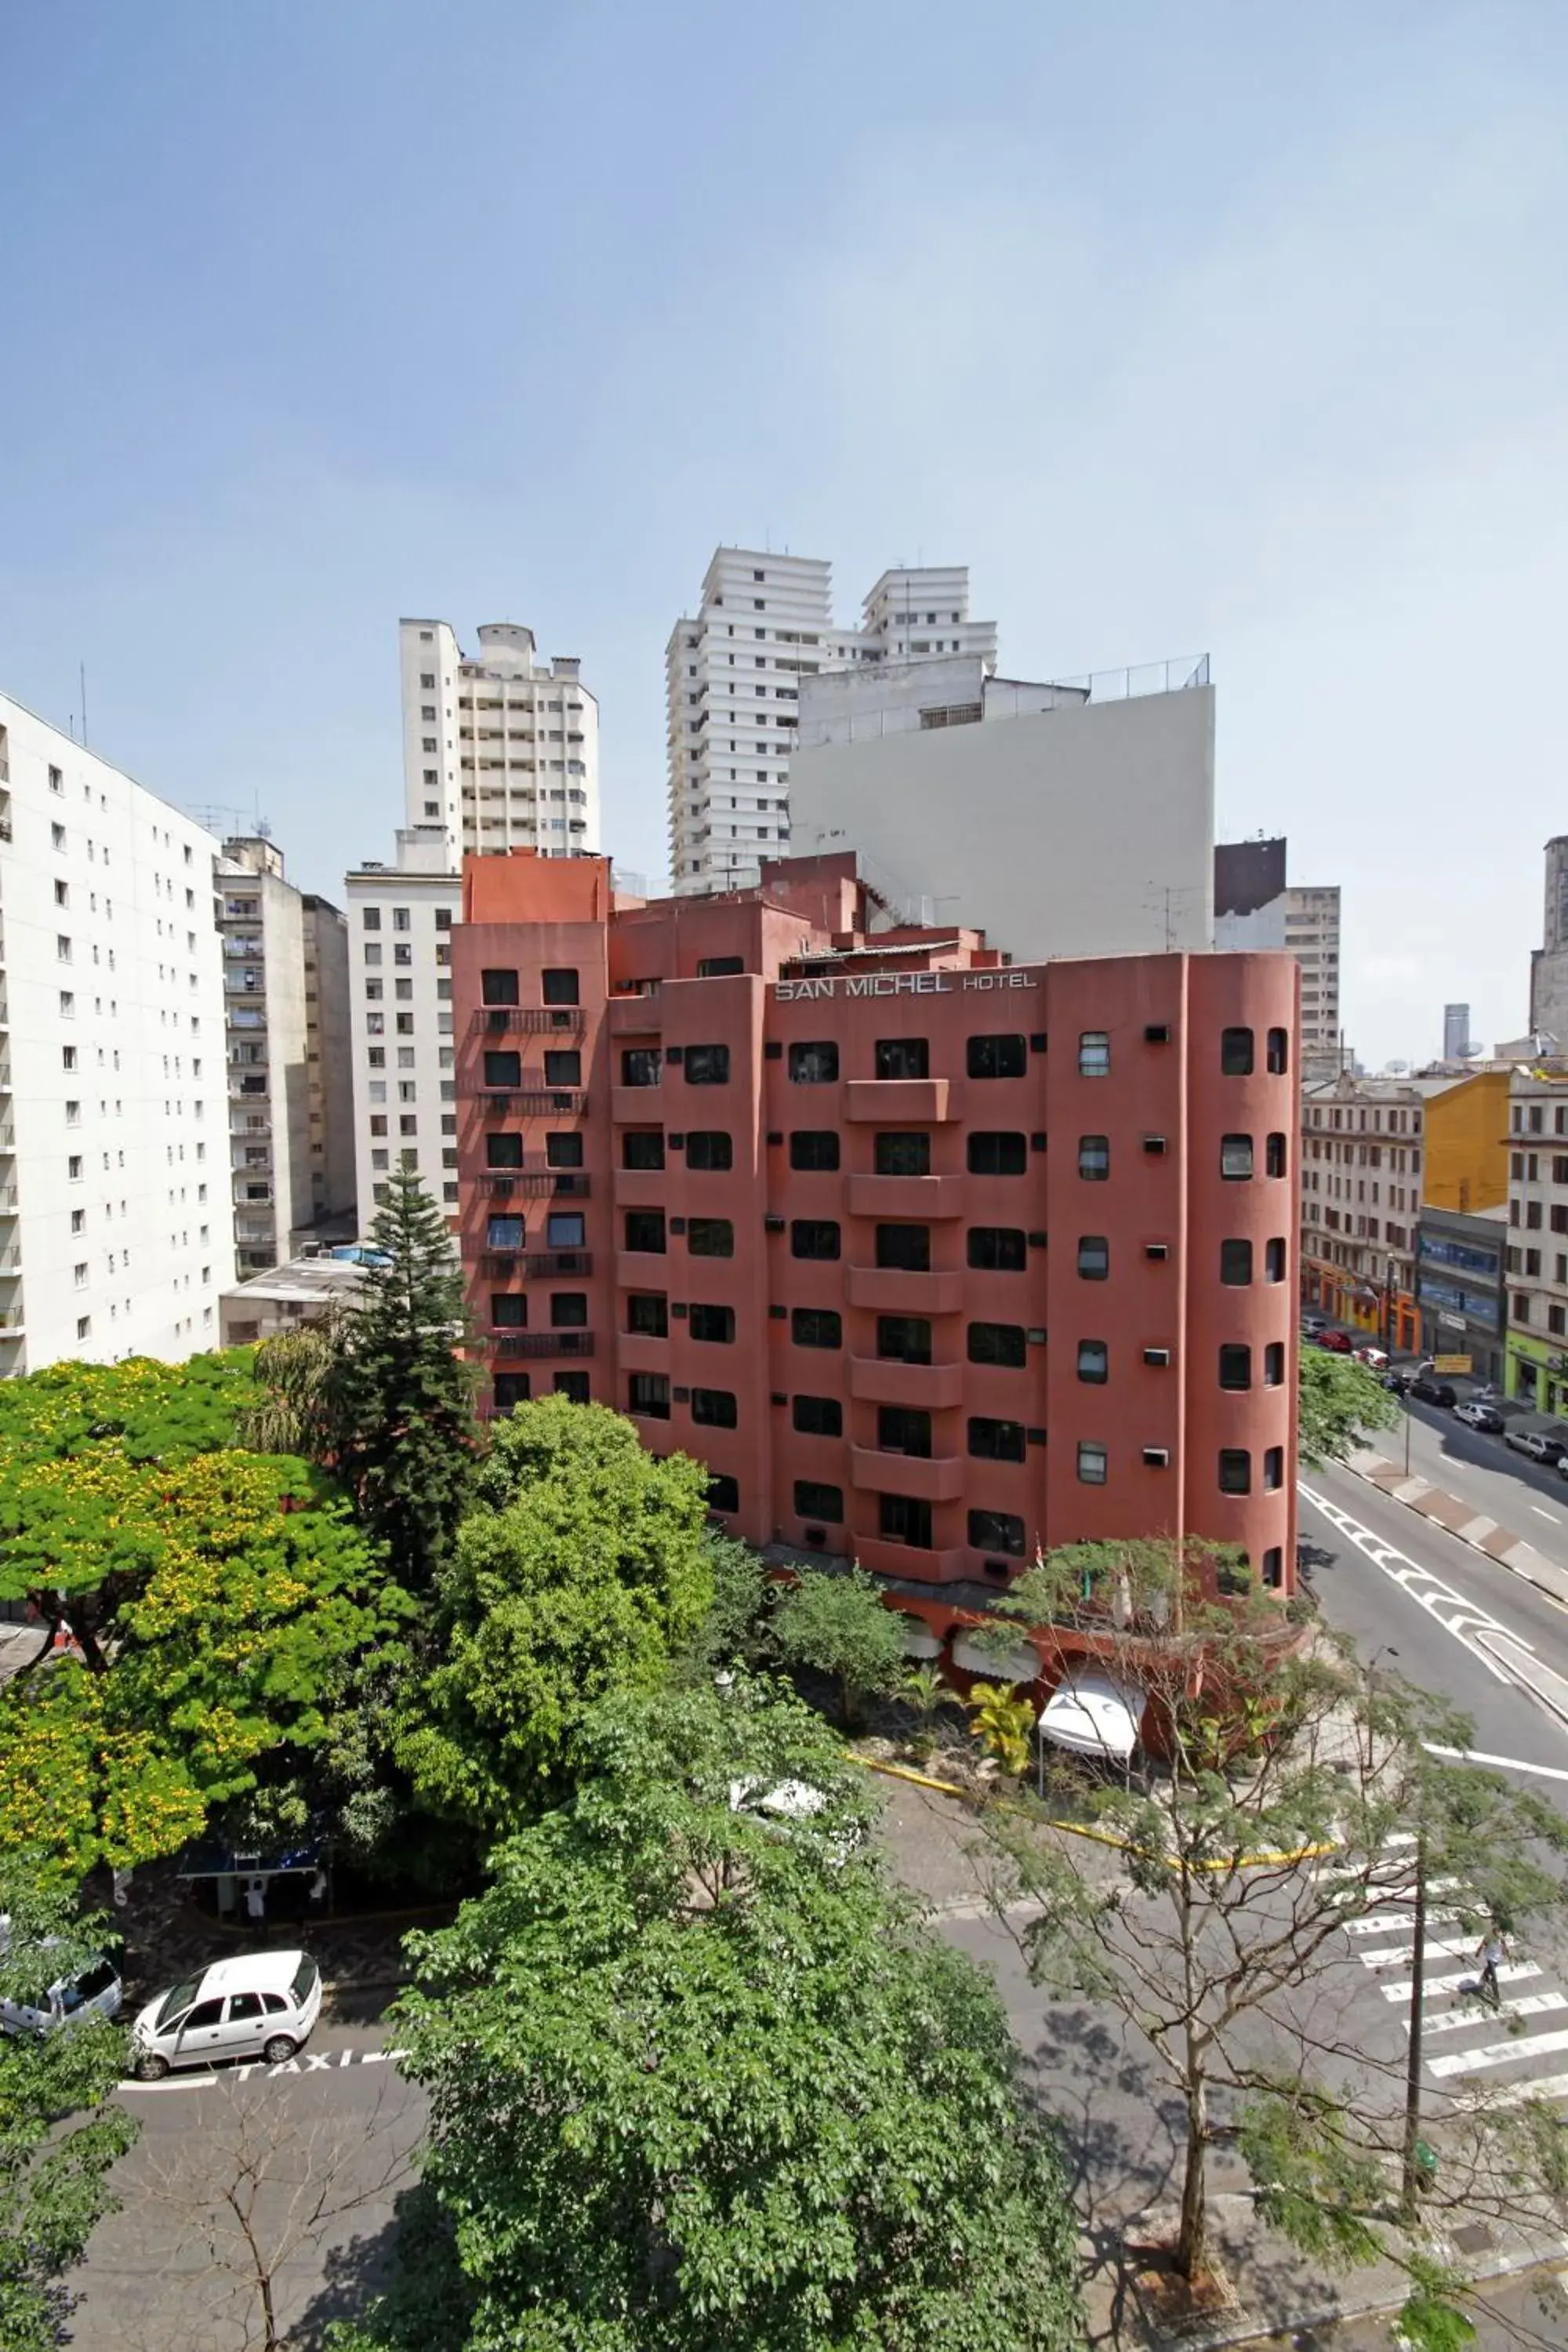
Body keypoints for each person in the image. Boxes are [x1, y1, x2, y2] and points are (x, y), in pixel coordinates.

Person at [1477, 1927, 1508, 2009]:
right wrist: (1478, 1951)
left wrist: (1507, 1953)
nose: (1500, 1935)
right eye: (1498, 1933)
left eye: (1500, 1933)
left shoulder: (1501, 1938)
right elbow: (1483, 1944)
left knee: (1489, 1970)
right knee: (1494, 1979)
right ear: (1494, 1933)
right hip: (1490, 1958)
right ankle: (1496, 1999)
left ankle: (1485, 1976)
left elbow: (1505, 1945)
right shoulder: (1489, 1937)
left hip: (1497, 1959)